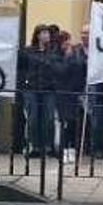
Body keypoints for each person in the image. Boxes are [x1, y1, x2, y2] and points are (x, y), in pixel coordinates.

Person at [21, 24, 60, 158]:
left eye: (48, 33)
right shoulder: (28, 51)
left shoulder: (54, 51)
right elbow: (22, 67)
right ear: (37, 35)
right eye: (43, 33)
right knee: (33, 118)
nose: (46, 36)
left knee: (49, 118)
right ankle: (34, 146)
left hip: (49, 89)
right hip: (31, 88)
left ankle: (49, 146)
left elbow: (57, 68)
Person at [77, 24, 103, 159]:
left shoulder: (100, 50)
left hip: (97, 90)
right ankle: (81, 147)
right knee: (79, 121)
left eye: (88, 33)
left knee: (97, 122)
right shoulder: (76, 50)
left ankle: (97, 148)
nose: (85, 36)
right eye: (83, 33)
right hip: (79, 89)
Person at [57, 30, 87, 164]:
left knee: (74, 122)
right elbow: (60, 71)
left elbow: (81, 67)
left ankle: (72, 150)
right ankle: (63, 150)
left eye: (68, 39)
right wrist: (68, 58)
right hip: (63, 93)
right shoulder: (57, 56)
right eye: (64, 41)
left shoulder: (76, 53)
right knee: (65, 123)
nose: (67, 43)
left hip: (75, 92)